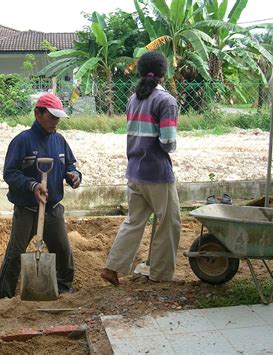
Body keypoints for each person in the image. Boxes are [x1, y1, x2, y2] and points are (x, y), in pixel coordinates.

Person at [100, 51, 181, 286]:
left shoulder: (134, 99)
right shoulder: (166, 101)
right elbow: (167, 142)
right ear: (164, 72)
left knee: (134, 221)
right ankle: (160, 273)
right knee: (170, 222)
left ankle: (112, 267)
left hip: (134, 171)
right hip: (156, 173)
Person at [0, 93, 82, 298]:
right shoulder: (22, 141)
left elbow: (70, 165)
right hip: (26, 210)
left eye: (58, 117)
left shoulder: (59, 141)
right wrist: (32, 185)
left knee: (62, 251)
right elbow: (10, 173)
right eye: (51, 117)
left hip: (52, 210)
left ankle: (64, 288)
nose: (56, 122)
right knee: (15, 254)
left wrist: (74, 176)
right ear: (37, 114)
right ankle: (3, 295)